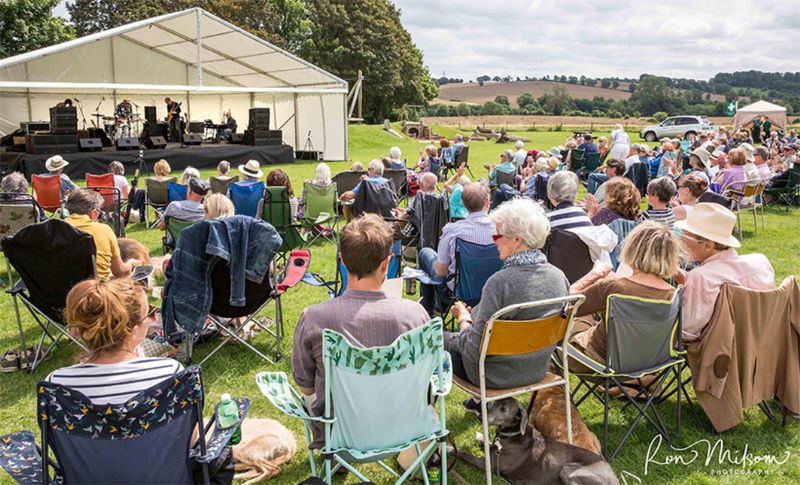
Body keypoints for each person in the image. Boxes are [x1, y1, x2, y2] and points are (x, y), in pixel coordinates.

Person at [291, 214, 430, 447]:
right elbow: (427, 381)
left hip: (338, 433)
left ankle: (334, 459)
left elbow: (306, 385)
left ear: (342, 261)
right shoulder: (415, 316)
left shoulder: (313, 318)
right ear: (387, 263)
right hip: (404, 428)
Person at [447, 198, 569, 407]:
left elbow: (473, 350)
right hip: (537, 368)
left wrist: (463, 320)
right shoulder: (559, 276)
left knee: (433, 340)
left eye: (497, 235)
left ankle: (427, 422)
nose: (493, 240)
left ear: (517, 240)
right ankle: (479, 405)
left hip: (491, 375)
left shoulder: (500, 283)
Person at [567, 222, 680, 371]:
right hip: (650, 364)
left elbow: (565, 306)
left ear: (633, 249)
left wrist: (593, 275)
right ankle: (632, 387)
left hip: (600, 362)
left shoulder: (614, 287)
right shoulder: (675, 295)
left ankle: (552, 392)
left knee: (578, 317)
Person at [47, 278, 182, 402]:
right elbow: (190, 426)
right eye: (150, 313)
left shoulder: (56, 385)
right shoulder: (170, 374)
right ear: (132, 331)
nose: (153, 319)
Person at [673, 203, 775, 341]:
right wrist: (686, 280)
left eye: (686, 234)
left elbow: (686, 332)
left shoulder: (701, 278)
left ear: (708, 245)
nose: (680, 239)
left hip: (720, 353)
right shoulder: (761, 263)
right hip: (763, 344)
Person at [417, 183, 494, 315]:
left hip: (457, 295)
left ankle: (428, 312)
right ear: (487, 203)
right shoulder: (503, 231)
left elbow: (441, 271)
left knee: (425, 253)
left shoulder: (452, 231)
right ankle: (434, 309)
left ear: (464, 204)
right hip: (493, 293)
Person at [65, 189, 138, 280]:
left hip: (59, 290)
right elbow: (119, 272)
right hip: (96, 290)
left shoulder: (54, 229)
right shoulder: (104, 230)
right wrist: (131, 263)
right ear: (94, 213)